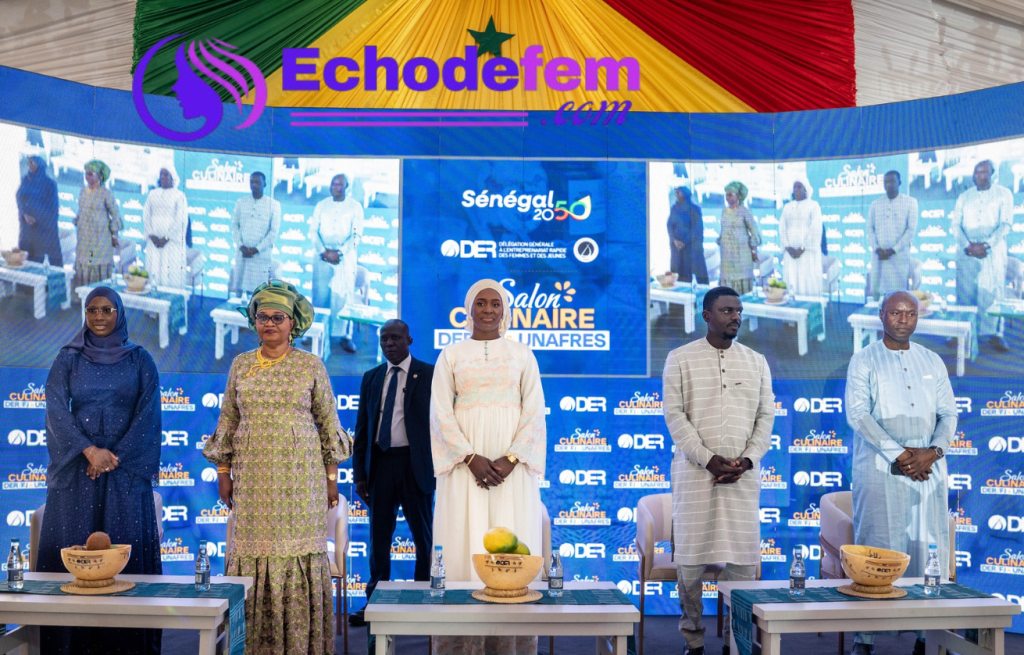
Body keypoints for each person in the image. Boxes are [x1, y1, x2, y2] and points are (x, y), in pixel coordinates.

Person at [203, 280, 350, 655]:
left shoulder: (311, 365)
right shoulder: (241, 365)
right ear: (254, 322)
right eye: (263, 317)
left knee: (296, 553)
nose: (269, 323)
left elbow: (328, 424)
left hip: (301, 480)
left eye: (278, 317)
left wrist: (331, 479)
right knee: (253, 552)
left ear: (292, 323)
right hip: (252, 479)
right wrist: (223, 473)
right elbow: (228, 421)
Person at [39, 286, 162, 655]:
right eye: (92, 310)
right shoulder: (68, 358)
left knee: (125, 562)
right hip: (77, 469)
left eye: (107, 309)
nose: (99, 317)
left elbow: (149, 414)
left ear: (119, 313)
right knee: (73, 561)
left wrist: (112, 457)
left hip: (125, 472)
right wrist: (90, 451)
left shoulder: (140, 359)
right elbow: (55, 407)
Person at [430, 279, 546, 655]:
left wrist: (511, 459)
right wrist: (469, 457)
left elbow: (534, 411)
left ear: (504, 310)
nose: (488, 310)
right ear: (469, 309)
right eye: (480, 303)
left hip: (511, 469)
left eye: (495, 303)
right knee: (463, 538)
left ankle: (508, 643)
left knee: (511, 536)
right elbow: (440, 412)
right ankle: (462, 644)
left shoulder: (522, 354)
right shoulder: (451, 355)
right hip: (464, 467)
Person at [662, 286, 775, 655]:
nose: (735, 316)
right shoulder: (680, 358)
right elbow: (674, 416)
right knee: (690, 564)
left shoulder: (756, 361)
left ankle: (735, 639)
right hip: (695, 475)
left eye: (738, 310)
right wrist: (707, 458)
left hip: (742, 477)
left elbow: (766, 417)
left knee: (742, 562)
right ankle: (693, 639)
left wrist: (748, 460)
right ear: (707, 316)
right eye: (727, 310)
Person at [845, 291, 957, 655]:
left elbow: (949, 414)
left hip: (929, 470)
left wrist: (933, 452)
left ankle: (927, 636)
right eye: (896, 313)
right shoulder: (864, 359)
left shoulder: (931, 360)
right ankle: (865, 639)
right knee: (878, 548)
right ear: (881, 315)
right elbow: (858, 414)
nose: (903, 320)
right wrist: (903, 455)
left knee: (927, 547)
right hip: (880, 469)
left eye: (911, 314)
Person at [349, 319, 435, 628]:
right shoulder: (371, 377)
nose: (389, 343)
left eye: (395, 338)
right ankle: (375, 602)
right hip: (381, 465)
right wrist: (360, 475)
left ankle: (424, 600)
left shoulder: (430, 374)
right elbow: (362, 428)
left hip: (416, 465)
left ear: (409, 340)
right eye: (384, 339)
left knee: (423, 538)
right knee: (379, 538)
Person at [951, 160, 1013, 352]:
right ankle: (961, 332)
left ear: (992, 174)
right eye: (977, 172)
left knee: (992, 292)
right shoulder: (964, 197)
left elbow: (1005, 224)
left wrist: (986, 245)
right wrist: (968, 245)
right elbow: (955, 224)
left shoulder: (1004, 194)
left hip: (992, 251)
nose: (980, 176)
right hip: (967, 250)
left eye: (984, 172)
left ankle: (996, 334)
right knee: (965, 292)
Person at [309, 174, 364, 354]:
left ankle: (344, 336)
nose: (335, 187)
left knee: (342, 298)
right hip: (322, 256)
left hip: (344, 258)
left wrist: (339, 253)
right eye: (333, 183)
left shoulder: (355, 207)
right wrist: (324, 251)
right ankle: (315, 331)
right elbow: (313, 231)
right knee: (319, 296)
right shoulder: (321, 205)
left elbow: (356, 235)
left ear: (347, 187)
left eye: (340, 184)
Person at [867, 171, 918, 299]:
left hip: (898, 258)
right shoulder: (875, 204)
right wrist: (876, 248)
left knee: (897, 297)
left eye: (892, 181)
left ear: (899, 183)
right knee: (877, 296)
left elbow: (910, 231)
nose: (889, 185)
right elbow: (870, 229)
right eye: (886, 182)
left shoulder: (910, 202)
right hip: (878, 257)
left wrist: (893, 250)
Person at [230, 172, 281, 297]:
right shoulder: (241, 202)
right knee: (239, 292)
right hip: (242, 253)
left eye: (257, 182)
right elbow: (235, 226)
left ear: (265, 184)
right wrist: (241, 246)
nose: (254, 185)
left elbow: (273, 232)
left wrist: (256, 249)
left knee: (257, 294)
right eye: (252, 182)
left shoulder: (274, 205)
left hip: (261, 255)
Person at [74, 160, 122, 286]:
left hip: (100, 238)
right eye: (86, 173)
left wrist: (114, 235)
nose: (87, 177)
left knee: (98, 266)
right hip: (84, 238)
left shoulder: (106, 193)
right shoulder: (83, 191)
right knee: (84, 263)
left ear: (100, 176)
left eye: (91, 174)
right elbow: (81, 211)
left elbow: (115, 215)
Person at [142, 168, 189, 288]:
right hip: (154, 240)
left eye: (166, 175)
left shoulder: (180, 195)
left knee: (170, 271)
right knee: (154, 267)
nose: (162, 177)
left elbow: (181, 219)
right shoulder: (152, 194)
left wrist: (167, 237)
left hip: (171, 242)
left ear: (173, 178)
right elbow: (146, 214)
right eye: (161, 175)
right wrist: (151, 234)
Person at [779, 177, 823, 296]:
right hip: (790, 253)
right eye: (794, 187)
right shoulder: (787, 207)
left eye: (799, 187)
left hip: (807, 253)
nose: (796, 190)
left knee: (807, 280)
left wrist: (802, 248)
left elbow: (815, 228)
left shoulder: (813, 205)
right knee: (791, 279)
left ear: (806, 190)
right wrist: (788, 247)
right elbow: (782, 227)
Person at [16, 155, 63, 266]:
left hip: (43, 229)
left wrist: (37, 219)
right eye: (28, 163)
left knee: (40, 260)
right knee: (26, 260)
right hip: (27, 228)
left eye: (32, 163)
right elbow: (19, 197)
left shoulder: (49, 183)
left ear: (40, 165)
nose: (29, 165)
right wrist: (24, 214)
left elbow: (53, 208)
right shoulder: (25, 180)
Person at [717, 182, 761, 294]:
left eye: (730, 194)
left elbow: (754, 233)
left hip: (742, 254)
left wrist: (754, 250)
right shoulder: (724, 212)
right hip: (727, 255)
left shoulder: (745, 211)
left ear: (739, 196)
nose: (727, 197)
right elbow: (723, 231)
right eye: (726, 195)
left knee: (742, 287)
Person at [667, 186, 708, 284]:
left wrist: (684, 242)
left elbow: (697, 229)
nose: (676, 195)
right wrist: (674, 240)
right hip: (677, 247)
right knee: (679, 273)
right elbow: (669, 225)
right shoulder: (674, 208)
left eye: (678, 193)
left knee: (698, 272)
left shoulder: (694, 209)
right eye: (676, 193)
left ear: (685, 194)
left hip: (692, 246)